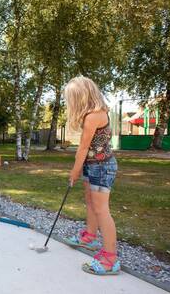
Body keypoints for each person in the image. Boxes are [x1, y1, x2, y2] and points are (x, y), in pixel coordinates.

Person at [64, 76, 120, 275]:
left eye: (72, 98)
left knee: (101, 209)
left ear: (81, 97)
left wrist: (75, 171)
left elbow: (83, 147)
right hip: (93, 165)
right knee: (90, 202)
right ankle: (90, 237)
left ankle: (110, 259)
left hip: (102, 167)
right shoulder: (95, 112)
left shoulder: (93, 116)